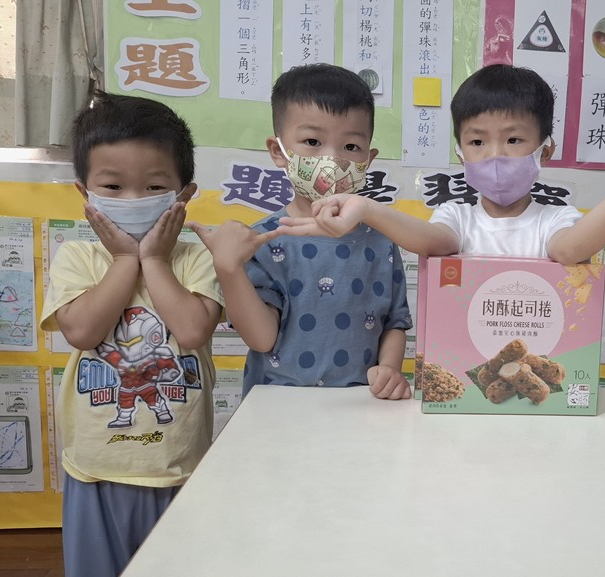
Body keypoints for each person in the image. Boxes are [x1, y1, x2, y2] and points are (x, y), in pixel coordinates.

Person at [276, 64, 605, 264]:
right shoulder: (457, 217)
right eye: (477, 141)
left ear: (544, 150)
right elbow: (434, 244)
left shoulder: (555, 221)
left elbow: (569, 251)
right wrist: (366, 208)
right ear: (461, 154)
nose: (495, 155)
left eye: (514, 140)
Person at [40, 92, 223, 577]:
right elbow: (82, 331)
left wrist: (155, 260)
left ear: (183, 195)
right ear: (86, 194)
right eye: (113, 186)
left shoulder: (196, 258)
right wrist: (125, 259)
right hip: (97, 470)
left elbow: (191, 329)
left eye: (154, 186)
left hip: (180, 468)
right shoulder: (78, 258)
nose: (133, 200)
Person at [190, 63, 412, 400]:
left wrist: (390, 369)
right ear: (278, 151)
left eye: (351, 147)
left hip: (361, 406)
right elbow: (261, 339)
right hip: (279, 407)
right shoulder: (263, 240)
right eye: (312, 141)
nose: (332, 159)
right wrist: (229, 268)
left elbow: (394, 321)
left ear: (368, 158)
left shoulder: (382, 240)